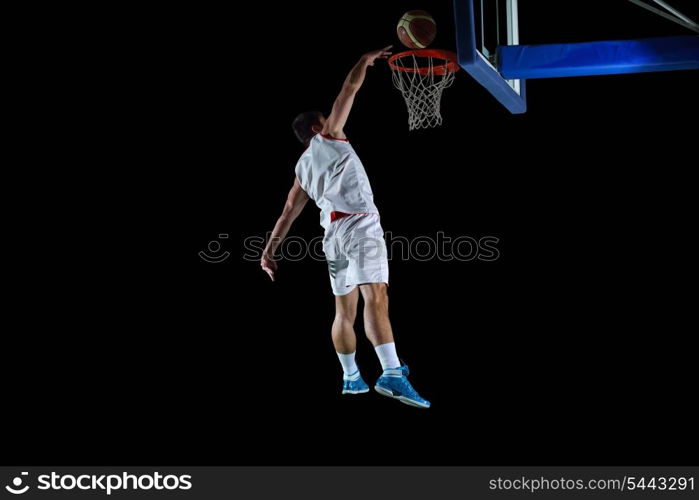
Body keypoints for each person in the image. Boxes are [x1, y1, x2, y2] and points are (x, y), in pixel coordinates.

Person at [261, 46, 430, 408]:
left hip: (333, 238)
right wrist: (364, 61)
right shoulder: (329, 138)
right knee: (376, 297)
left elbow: (287, 213)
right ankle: (392, 374)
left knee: (344, 310)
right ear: (316, 127)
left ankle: (351, 377)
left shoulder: (301, 170)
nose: (332, 119)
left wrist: (268, 252)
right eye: (326, 118)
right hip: (358, 227)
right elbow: (348, 91)